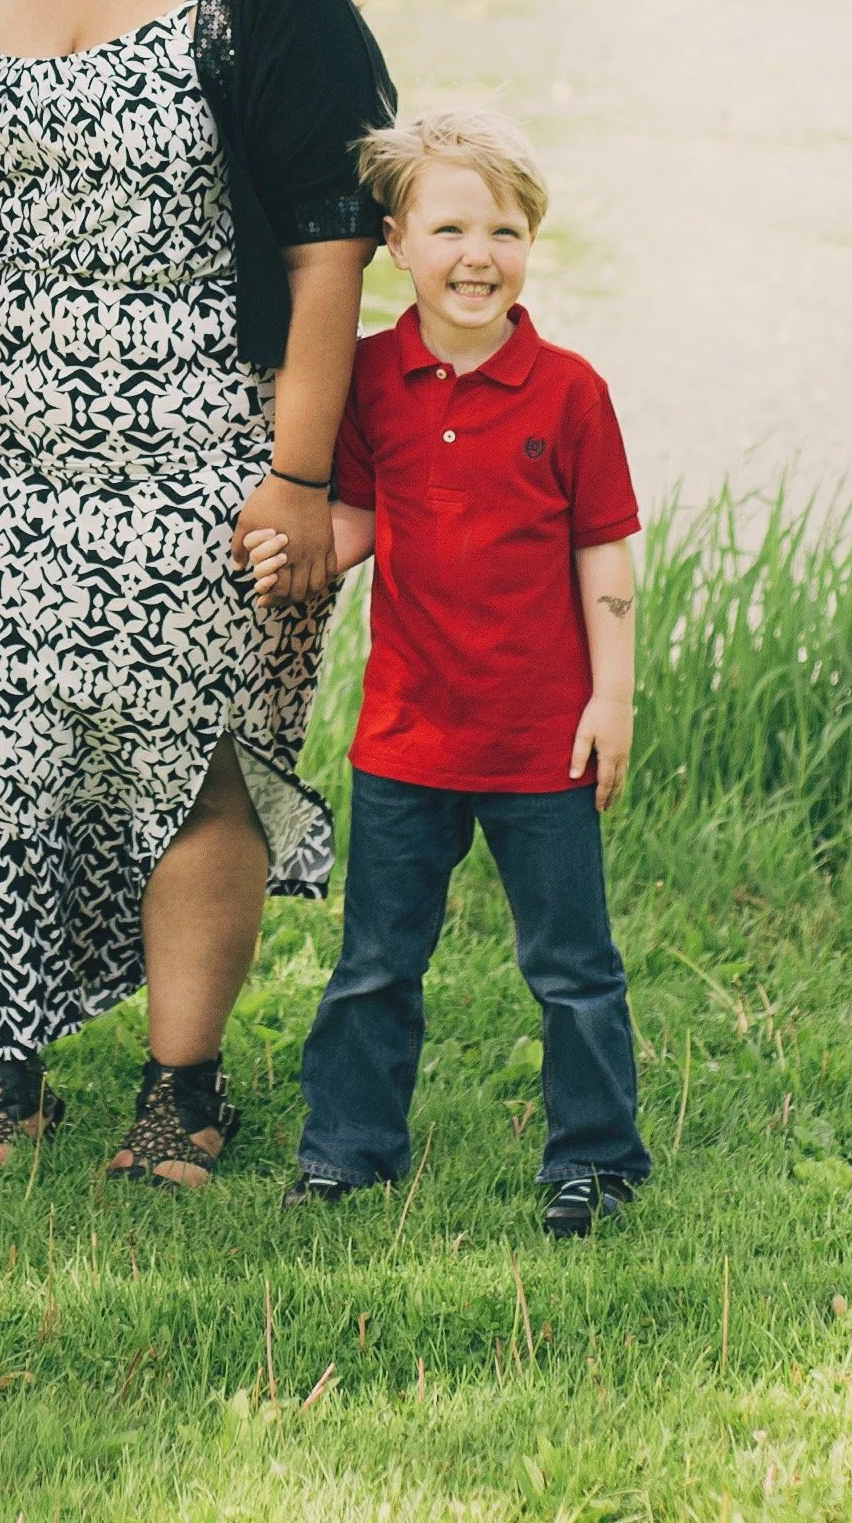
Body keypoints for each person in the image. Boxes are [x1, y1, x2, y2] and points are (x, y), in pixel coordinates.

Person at [0, 0, 395, 1189]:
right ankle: (5, 1076)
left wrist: (299, 478)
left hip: (195, 458)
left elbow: (332, 253)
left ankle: (182, 1091)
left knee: (198, 761)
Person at [278, 104, 648, 1239]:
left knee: (571, 968)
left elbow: (603, 550)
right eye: (447, 231)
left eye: (501, 230)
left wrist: (611, 697)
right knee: (376, 962)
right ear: (395, 244)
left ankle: (592, 1159)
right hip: (406, 734)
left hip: (540, 739)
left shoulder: (568, 391)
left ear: (528, 244)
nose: (475, 256)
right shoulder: (368, 378)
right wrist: (279, 560)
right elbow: (352, 517)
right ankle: (347, 1149)